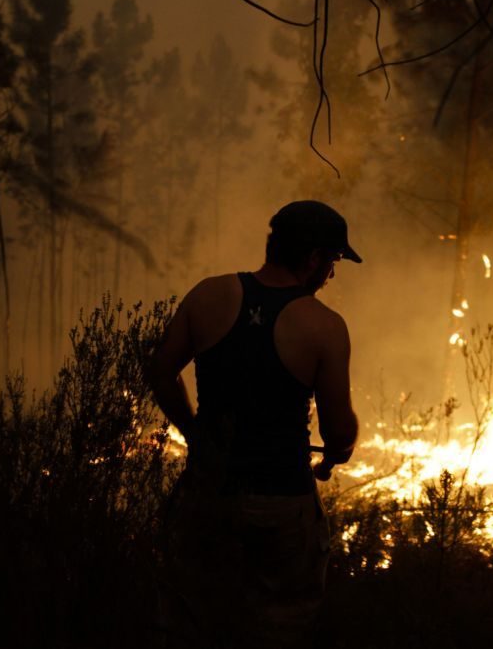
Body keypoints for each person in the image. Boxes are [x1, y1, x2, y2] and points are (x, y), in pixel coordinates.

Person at [147, 200, 361, 648]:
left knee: (191, 620)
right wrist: (333, 459)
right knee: (278, 626)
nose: (332, 274)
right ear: (313, 258)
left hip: (207, 492)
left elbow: (161, 370)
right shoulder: (323, 326)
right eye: (334, 260)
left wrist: (194, 433)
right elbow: (338, 432)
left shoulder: (209, 294)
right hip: (282, 504)